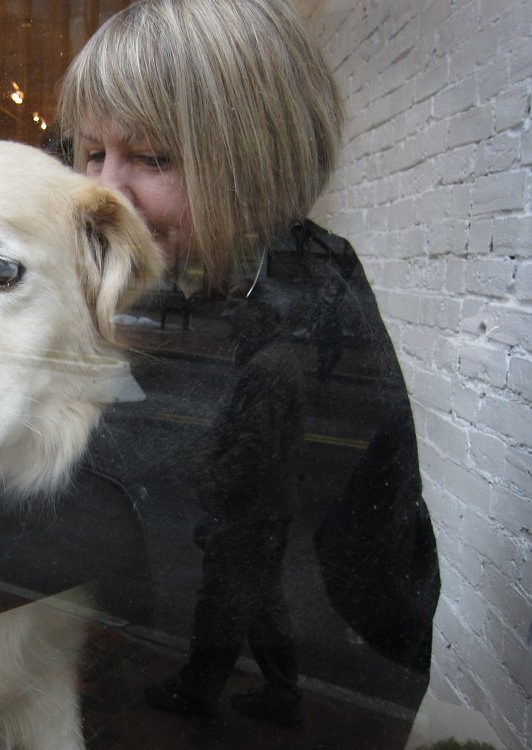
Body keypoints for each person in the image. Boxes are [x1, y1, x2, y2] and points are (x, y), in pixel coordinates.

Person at [58, 0, 439, 734]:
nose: (104, 192)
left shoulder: (297, 321)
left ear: (254, 157)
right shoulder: (213, 280)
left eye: (154, 155)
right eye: (90, 153)